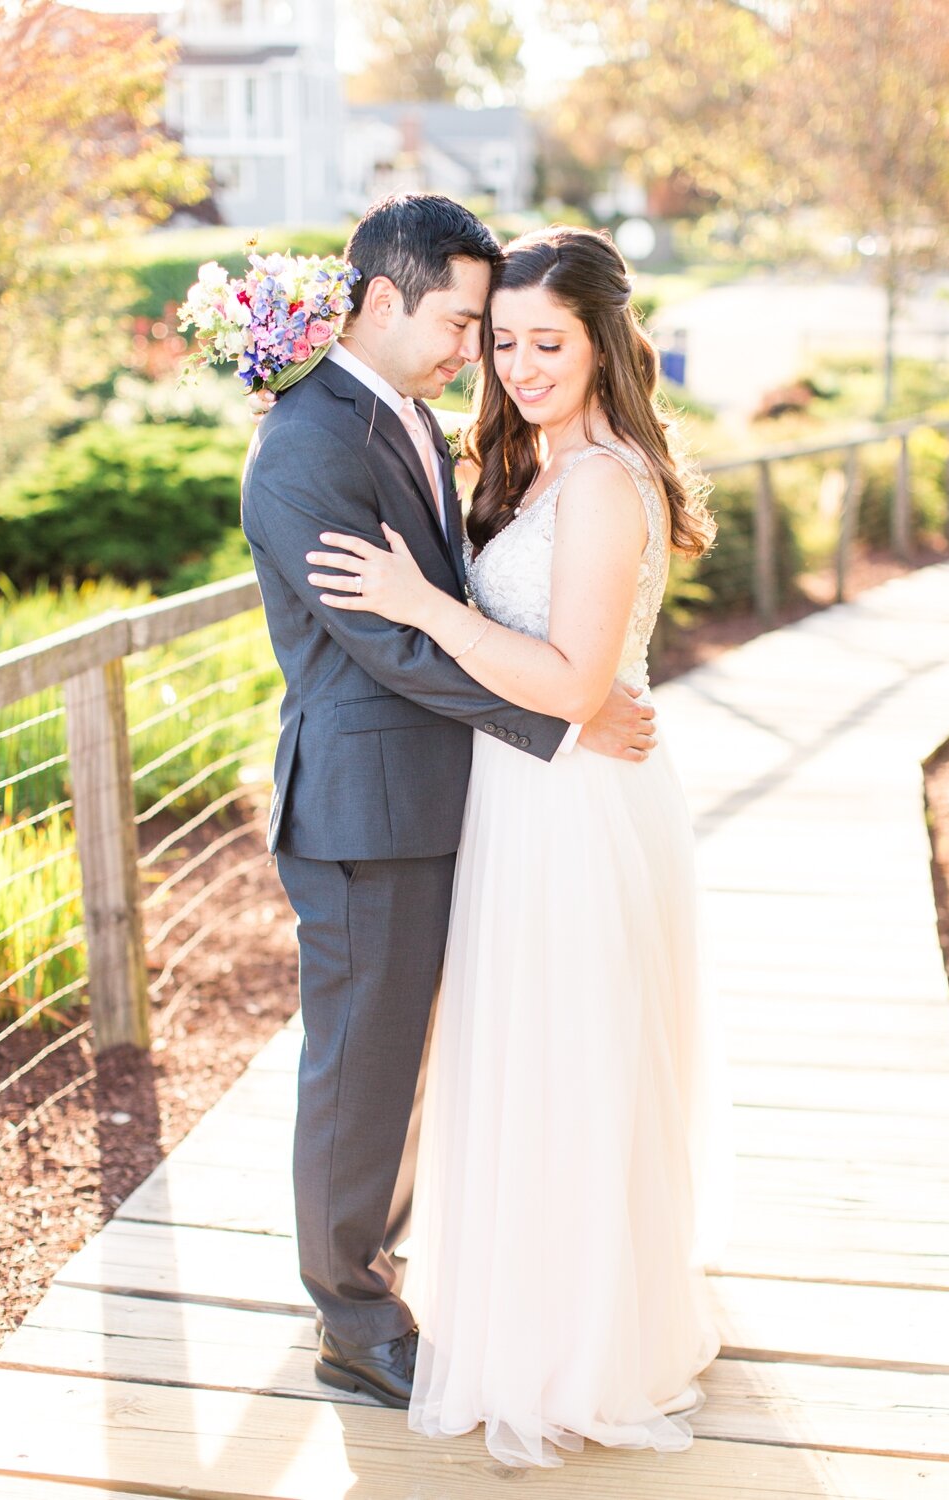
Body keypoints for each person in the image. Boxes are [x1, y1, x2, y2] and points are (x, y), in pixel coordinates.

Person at [305, 224, 731, 1468]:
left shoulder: (602, 482)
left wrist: (423, 604)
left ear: (604, 343)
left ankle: (579, 1342)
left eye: (550, 342)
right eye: (501, 342)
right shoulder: (524, 462)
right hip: (516, 798)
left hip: (576, 812)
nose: (523, 365)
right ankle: (516, 1307)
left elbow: (568, 681)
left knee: (569, 1063)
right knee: (517, 1059)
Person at [240, 197, 659, 1412]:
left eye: (502, 330)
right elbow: (388, 647)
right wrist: (566, 715)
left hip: (451, 798)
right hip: (368, 811)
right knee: (360, 1073)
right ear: (381, 300)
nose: (477, 353)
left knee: (421, 1065)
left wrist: (573, 699)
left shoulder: (410, 419)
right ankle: (352, 1321)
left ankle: (396, 1252)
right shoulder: (309, 442)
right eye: (463, 323)